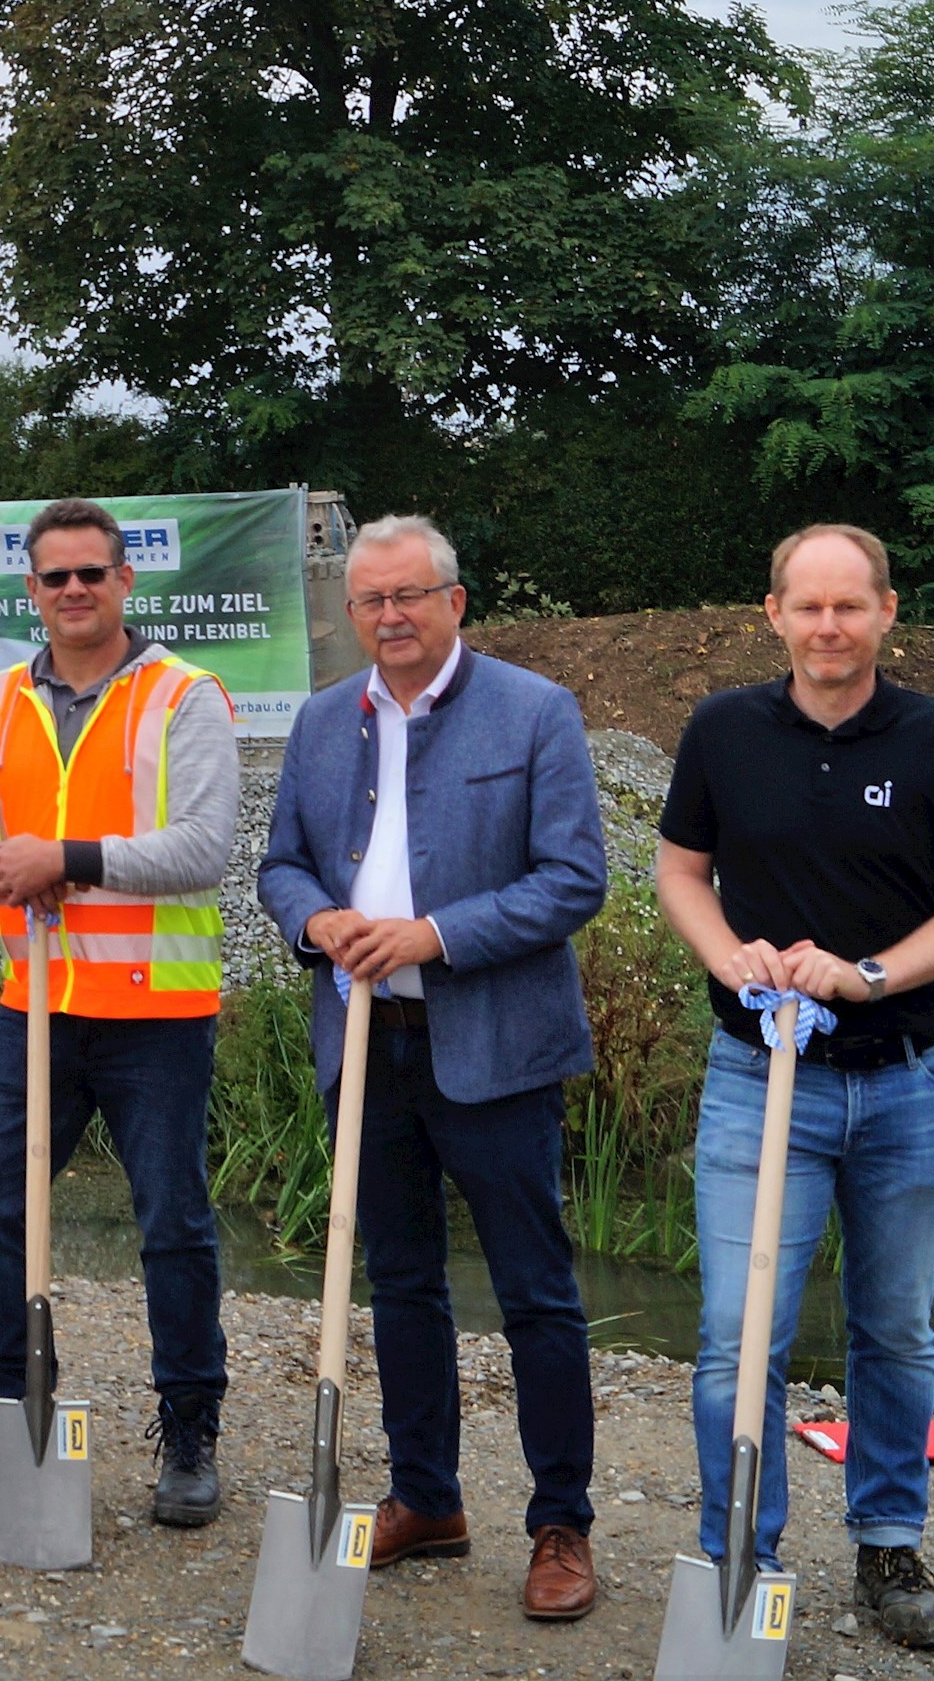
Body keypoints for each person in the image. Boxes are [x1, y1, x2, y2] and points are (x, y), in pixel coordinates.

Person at [658, 523, 934, 1655]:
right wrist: (728, 958)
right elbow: (679, 871)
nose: (827, 627)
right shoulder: (721, 731)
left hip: (908, 1085)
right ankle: (739, 1556)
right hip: (760, 1083)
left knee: (895, 1332)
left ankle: (888, 1546)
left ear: (885, 613)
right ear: (773, 615)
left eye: (847, 607)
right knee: (734, 1334)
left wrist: (864, 977)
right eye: (806, 607)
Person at [257, 515, 609, 1621]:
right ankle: (427, 1498)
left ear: (456, 600)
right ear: (351, 612)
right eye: (370, 601)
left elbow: (573, 880)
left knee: (535, 1294)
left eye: (410, 595)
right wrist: (316, 923)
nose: (391, 617)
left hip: (496, 1052)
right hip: (366, 1049)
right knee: (399, 1283)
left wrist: (432, 934)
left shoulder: (534, 712)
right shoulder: (320, 722)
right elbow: (277, 868)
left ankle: (561, 1524)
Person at [0, 498, 240, 1526]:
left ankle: (187, 1426)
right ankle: (12, 1402)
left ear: (124, 582)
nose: (74, 591)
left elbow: (203, 847)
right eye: (54, 577)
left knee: (172, 1224)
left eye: (91, 573)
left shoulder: (183, 696)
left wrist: (71, 861)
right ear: (32, 592)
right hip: (37, 1004)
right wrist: (2, 866)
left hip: (154, 1015)